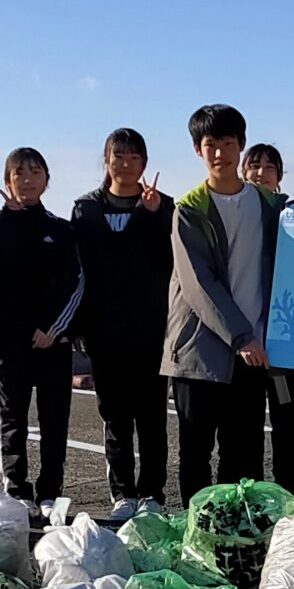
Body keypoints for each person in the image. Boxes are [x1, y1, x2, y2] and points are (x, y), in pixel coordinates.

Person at [165, 102, 285, 500]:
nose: (219, 153)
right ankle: (198, 538)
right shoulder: (189, 209)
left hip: (252, 353)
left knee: (246, 455)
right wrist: (241, 336)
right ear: (198, 150)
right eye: (210, 144)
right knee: (196, 454)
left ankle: (240, 540)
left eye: (228, 143)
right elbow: (200, 283)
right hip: (201, 352)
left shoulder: (269, 206)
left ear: (241, 146)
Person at [71, 128, 173, 509]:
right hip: (104, 330)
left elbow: (167, 264)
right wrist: (79, 325)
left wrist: (153, 216)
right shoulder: (86, 209)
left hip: (150, 331)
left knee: (152, 419)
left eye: (134, 157)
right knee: (114, 418)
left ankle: (152, 493)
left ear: (144, 164)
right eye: (119, 157)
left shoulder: (164, 207)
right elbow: (84, 268)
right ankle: (122, 493)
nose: (126, 165)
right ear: (106, 160)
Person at [0, 147, 85, 504]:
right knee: (11, 421)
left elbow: (75, 281)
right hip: (7, 341)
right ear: (7, 181)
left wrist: (51, 328)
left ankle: (50, 491)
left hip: (52, 341)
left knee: (55, 421)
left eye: (35, 172)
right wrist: (15, 223)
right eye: (19, 174)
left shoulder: (60, 229)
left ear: (46, 179)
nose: (27, 180)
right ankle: (16, 488)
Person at [240, 140, 294, 497]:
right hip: (246, 344)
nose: (260, 172)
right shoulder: (234, 210)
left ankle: (293, 495)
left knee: (288, 423)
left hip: (285, 346)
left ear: (280, 176)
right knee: (246, 425)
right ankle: (253, 498)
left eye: (269, 167)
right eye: (254, 165)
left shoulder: (293, 212)